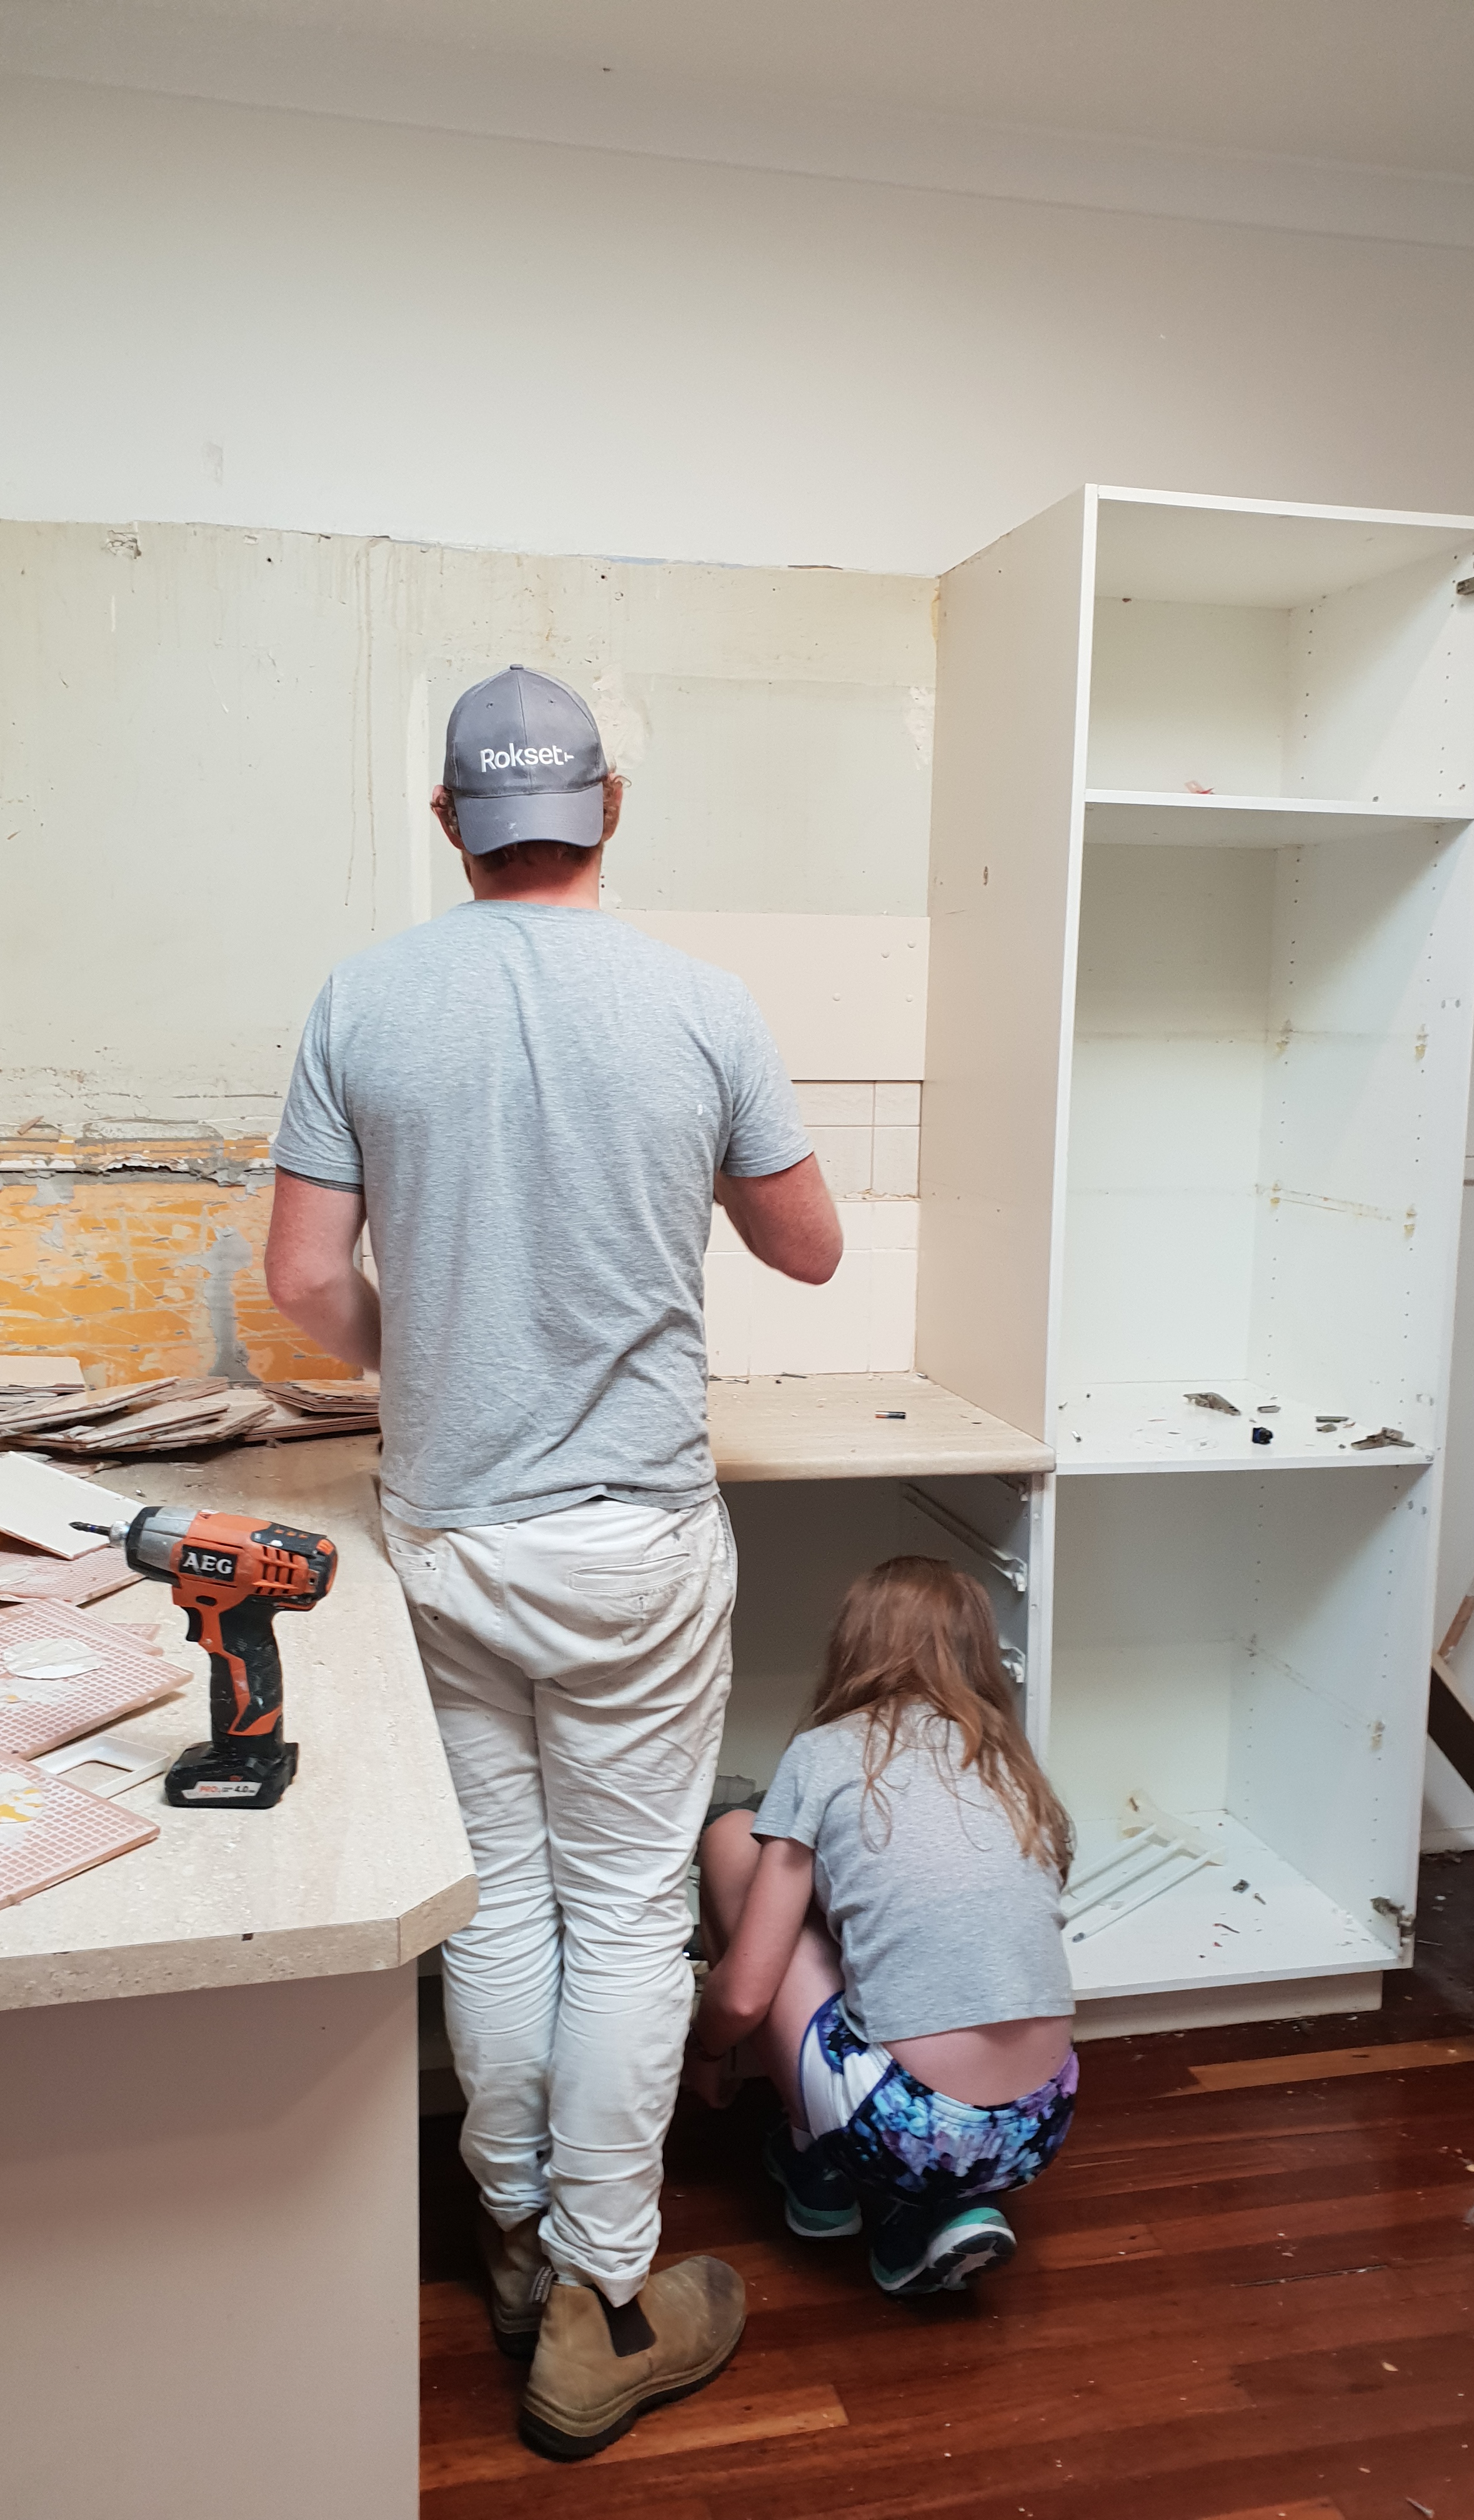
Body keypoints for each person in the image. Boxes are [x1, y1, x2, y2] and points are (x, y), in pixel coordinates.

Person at [262, 664, 842, 2460]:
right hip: (636, 1550)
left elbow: (301, 1282)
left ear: (451, 820)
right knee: (629, 1913)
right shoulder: (701, 1005)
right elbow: (810, 1248)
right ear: (606, 812)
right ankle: (603, 2297)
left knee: (503, 1904)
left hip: (449, 1539)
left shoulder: (362, 1001)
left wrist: (428, 1353)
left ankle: (513, 2233)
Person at [689, 1556, 1078, 2298]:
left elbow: (744, 1996)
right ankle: (934, 2209)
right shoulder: (1011, 1760)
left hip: (908, 2126)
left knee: (734, 1840)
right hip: (1039, 2125)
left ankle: (820, 2167)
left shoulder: (826, 1752)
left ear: (854, 1643)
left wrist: (704, 2052)